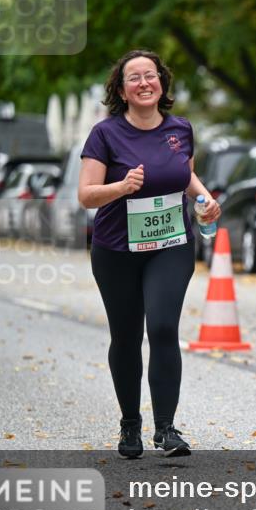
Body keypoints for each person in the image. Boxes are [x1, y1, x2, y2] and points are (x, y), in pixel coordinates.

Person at [78, 49, 221, 458]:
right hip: (117, 249)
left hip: (171, 244)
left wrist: (206, 199)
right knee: (126, 337)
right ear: (121, 90)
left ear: (162, 82)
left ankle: (166, 429)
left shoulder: (180, 129)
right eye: (134, 78)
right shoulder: (105, 135)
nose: (144, 83)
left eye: (151, 76)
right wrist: (121, 187)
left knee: (161, 328)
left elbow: (185, 172)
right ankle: (130, 425)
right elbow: (86, 195)